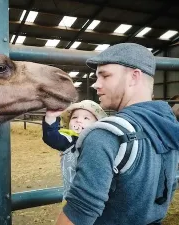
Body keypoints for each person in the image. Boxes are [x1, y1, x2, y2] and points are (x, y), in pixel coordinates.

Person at [55, 43, 179, 225]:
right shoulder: (169, 126)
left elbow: (80, 212)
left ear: (134, 77)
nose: (96, 84)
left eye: (105, 75)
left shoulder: (105, 135)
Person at [42, 100, 107, 200]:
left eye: (86, 118)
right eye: (74, 117)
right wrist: (51, 117)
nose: (78, 121)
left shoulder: (103, 143)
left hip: (98, 200)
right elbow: (51, 137)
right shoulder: (69, 141)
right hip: (73, 200)